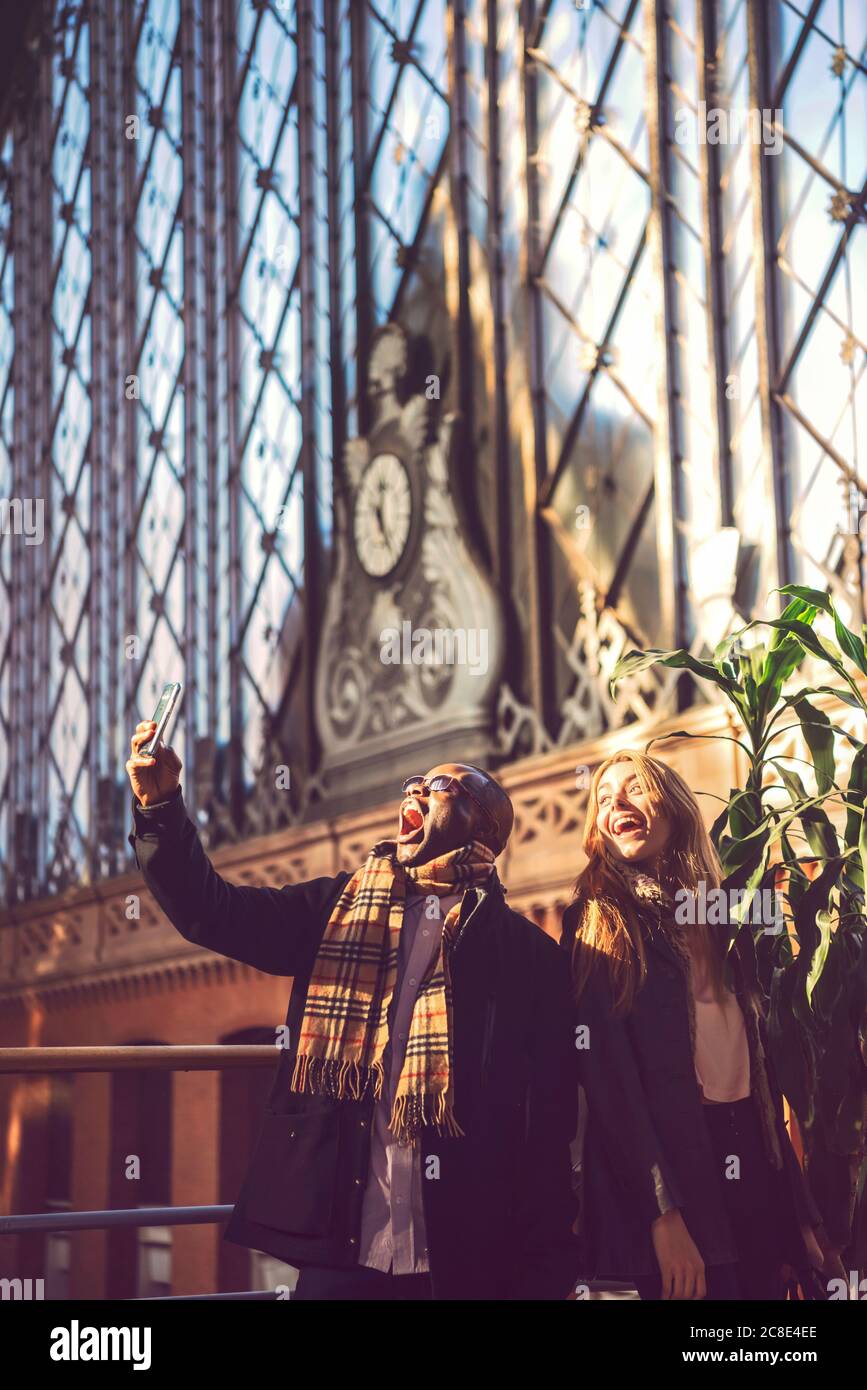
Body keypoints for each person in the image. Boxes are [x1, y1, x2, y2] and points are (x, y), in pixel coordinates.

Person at [125, 720, 580, 1300]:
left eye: (442, 788)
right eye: (414, 782)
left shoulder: (527, 957)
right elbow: (213, 912)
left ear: (485, 832)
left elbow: (546, 1123)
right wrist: (161, 808)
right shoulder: (337, 911)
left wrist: (548, 1273)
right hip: (342, 1247)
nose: (415, 791)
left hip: (463, 1257)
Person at [562, 750, 838, 1300]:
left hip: (754, 1165)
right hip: (671, 1171)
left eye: (634, 787)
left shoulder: (729, 914)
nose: (616, 801)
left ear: (676, 803)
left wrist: (800, 1217)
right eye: (603, 797)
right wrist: (662, 1217)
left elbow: (766, 1082)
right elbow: (609, 1082)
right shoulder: (597, 916)